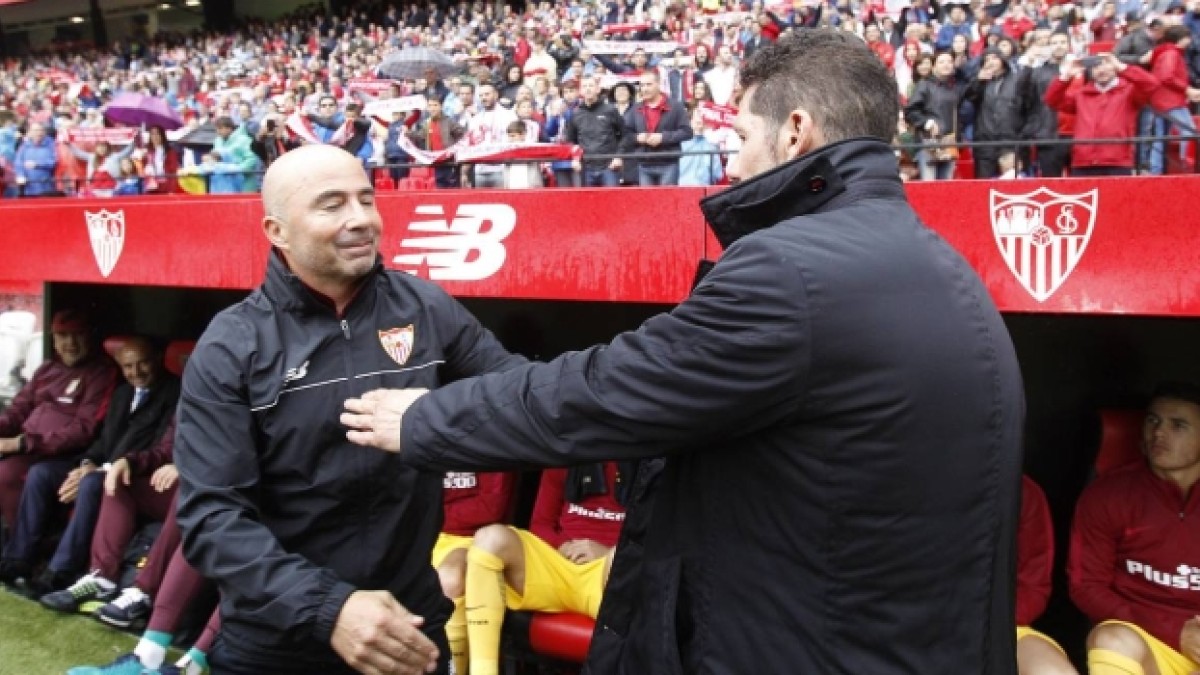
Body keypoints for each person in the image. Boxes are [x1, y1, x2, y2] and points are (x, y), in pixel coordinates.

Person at [342, 29, 1025, 674]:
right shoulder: (946, 267)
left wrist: (425, 418)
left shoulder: (788, 272)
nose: (732, 162)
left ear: (796, 132)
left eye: (742, 136)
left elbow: (609, 392)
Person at [173, 144, 527, 675]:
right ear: (276, 231)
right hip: (278, 647)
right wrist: (329, 608)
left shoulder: (426, 307)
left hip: (410, 631)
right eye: (332, 204)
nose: (361, 218)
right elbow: (212, 519)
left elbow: (518, 397)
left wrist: (436, 412)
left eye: (366, 198)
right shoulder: (232, 345)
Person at [5, 337, 178, 596]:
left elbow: (157, 450)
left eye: (143, 363)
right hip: (102, 466)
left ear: (158, 360)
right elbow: (103, 441)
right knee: (42, 473)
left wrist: (101, 470)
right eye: (128, 366)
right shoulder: (123, 393)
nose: (136, 372)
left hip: (135, 475)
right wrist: (87, 463)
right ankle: (18, 560)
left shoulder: (175, 393)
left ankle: (60, 573)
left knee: (91, 483)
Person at [1068, 381, 1200, 675]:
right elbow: (1086, 586)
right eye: (1153, 421)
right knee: (1111, 638)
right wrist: (1172, 629)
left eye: (1178, 425)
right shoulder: (1109, 494)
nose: (1159, 433)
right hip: (1148, 637)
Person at [459, 465, 625, 675]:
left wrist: (609, 551)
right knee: (489, 538)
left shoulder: (649, 463)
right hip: (558, 566)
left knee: (627, 558)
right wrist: (561, 546)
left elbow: (654, 542)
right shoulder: (567, 455)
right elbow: (540, 525)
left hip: (607, 571)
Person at [0, 310, 117, 552]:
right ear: (53, 338)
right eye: (62, 336)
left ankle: (20, 553)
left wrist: (21, 443)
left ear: (90, 336)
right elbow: (18, 409)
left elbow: (84, 429)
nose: (70, 343)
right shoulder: (47, 369)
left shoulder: (101, 372)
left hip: (64, 455)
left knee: (7, 472)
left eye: (78, 335)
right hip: (30, 449)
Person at [431, 470, 517, 675]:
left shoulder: (490, 450)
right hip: (426, 534)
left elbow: (490, 508)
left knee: (451, 578)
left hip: (472, 538)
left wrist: (432, 513)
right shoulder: (423, 448)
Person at [1044, 52, 1159, 176]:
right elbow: (1052, 100)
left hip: (1117, 162)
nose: (1101, 70)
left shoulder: (1129, 92)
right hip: (1083, 161)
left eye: (1106, 64)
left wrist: (1122, 67)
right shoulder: (1081, 95)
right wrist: (1065, 77)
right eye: (1096, 66)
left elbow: (1151, 84)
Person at [1016, 476, 1078, 675]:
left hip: (998, 626)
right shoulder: (928, 485)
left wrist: (991, 621)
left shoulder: (1021, 491)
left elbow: (1034, 587)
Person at [628, 70, 693, 186]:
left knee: (667, 197)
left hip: (668, 163)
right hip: (644, 164)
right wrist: (637, 138)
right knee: (647, 198)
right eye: (642, 85)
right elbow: (626, 133)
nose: (644, 89)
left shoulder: (676, 106)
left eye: (648, 84)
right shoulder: (635, 108)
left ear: (658, 84)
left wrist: (663, 137)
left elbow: (687, 132)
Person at [565, 76, 624, 187]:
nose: (588, 89)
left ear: (598, 89)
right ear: (581, 91)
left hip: (609, 166)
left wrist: (618, 156)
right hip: (586, 168)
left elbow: (625, 135)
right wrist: (575, 158)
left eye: (591, 86)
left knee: (612, 198)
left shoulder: (610, 110)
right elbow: (571, 141)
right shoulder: (576, 114)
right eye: (585, 86)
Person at [678, 109, 724, 186]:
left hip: (680, 188)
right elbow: (717, 175)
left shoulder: (711, 145)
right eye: (698, 122)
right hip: (701, 188)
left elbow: (718, 174)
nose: (700, 125)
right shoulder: (711, 146)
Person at [13, 122, 59, 196]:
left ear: (44, 132)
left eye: (41, 130)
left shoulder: (52, 145)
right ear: (30, 132)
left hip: (46, 187)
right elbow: (18, 163)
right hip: (27, 188)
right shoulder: (24, 146)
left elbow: (54, 162)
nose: (38, 133)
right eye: (35, 130)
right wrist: (20, 175)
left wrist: (37, 164)